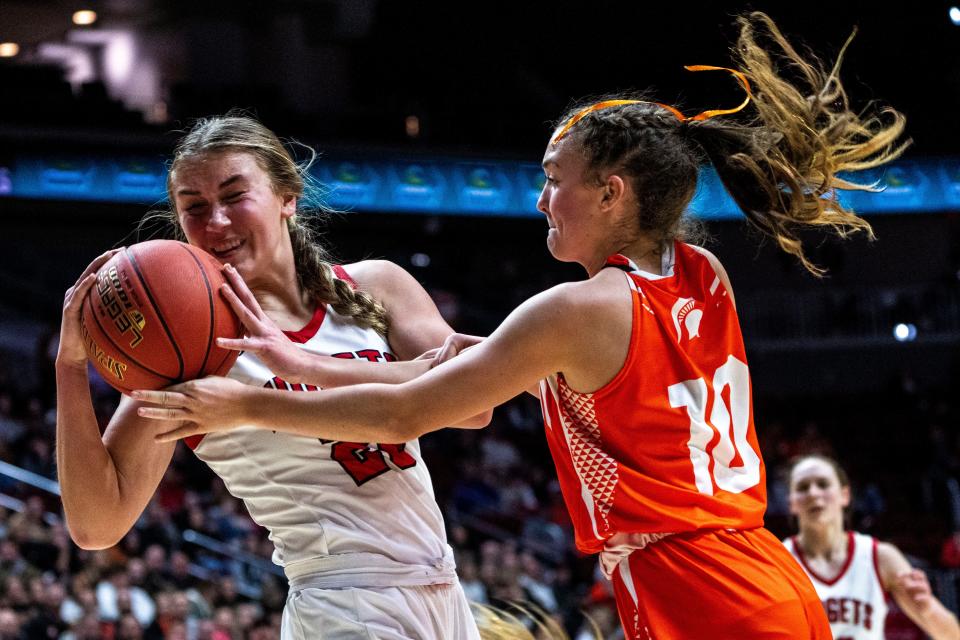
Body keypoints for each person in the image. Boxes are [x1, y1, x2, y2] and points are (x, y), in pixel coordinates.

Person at [134, 12, 907, 639]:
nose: (540, 199)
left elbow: (411, 410)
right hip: (763, 575)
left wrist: (248, 402)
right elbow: (466, 363)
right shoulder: (703, 276)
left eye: (552, 179)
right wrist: (305, 362)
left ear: (610, 193)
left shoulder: (573, 311)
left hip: (697, 592)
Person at [56, 115, 489, 639]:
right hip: (342, 601)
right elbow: (96, 525)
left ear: (288, 195)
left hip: (442, 586)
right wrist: (71, 366)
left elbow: (473, 406)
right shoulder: (189, 350)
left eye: (235, 196)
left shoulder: (376, 283)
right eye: (194, 207)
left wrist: (306, 368)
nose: (215, 221)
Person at [785, 455, 960, 640]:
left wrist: (926, 609)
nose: (813, 493)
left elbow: (952, 636)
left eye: (823, 484)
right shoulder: (779, 560)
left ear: (845, 495)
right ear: (792, 503)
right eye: (803, 487)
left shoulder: (880, 556)